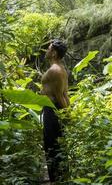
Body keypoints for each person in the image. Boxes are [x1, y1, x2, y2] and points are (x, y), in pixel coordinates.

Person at [41, 39, 69, 184]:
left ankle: (56, 180)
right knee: (54, 145)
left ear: (54, 53)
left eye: (49, 48)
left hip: (52, 111)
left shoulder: (55, 71)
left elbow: (60, 96)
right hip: (52, 110)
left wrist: (66, 116)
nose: (47, 50)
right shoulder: (61, 69)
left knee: (51, 146)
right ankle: (59, 178)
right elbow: (65, 94)